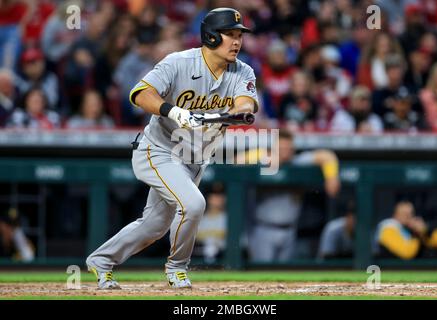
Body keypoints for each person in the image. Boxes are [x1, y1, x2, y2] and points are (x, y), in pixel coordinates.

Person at [86, 8, 258, 289]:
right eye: (230, 34)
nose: (237, 41)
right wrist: (173, 111)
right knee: (194, 204)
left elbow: (245, 105)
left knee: (153, 226)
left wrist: (226, 114)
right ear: (211, 36)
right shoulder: (179, 62)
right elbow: (139, 93)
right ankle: (177, 267)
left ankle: (101, 260)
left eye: (239, 35)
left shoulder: (243, 70)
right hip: (158, 149)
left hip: (194, 158)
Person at [243, 129, 341, 262]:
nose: (285, 152)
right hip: (263, 229)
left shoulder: (298, 162)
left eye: (288, 148)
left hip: (290, 230)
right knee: (261, 272)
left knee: (286, 273)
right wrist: (263, 155)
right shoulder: (263, 159)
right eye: (281, 148)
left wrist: (332, 175)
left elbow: (326, 155)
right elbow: (237, 161)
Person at [373, 201, 437, 260]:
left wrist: (426, 229)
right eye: (404, 214)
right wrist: (416, 235)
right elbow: (406, 253)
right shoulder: (389, 226)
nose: (408, 217)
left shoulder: (413, 228)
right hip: (387, 270)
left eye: (410, 214)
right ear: (395, 214)